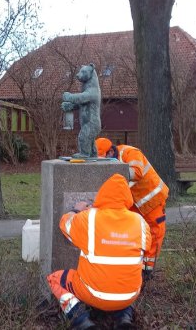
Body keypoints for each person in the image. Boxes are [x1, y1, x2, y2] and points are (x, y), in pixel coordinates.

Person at [46, 173, 152, 329]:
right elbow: (147, 247)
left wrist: (76, 210)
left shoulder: (88, 218)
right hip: (129, 295)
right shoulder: (140, 222)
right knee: (123, 280)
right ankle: (124, 319)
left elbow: (65, 224)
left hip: (93, 294)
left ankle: (81, 321)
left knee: (54, 279)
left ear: (102, 194)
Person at [95, 138, 169, 280]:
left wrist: (113, 171)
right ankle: (134, 266)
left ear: (111, 151)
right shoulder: (112, 158)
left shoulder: (130, 153)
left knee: (154, 233)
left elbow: (136, 172)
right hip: (134, 202)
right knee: (133, 233)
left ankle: (147, 271)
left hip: (153, 201)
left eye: (104, 159)